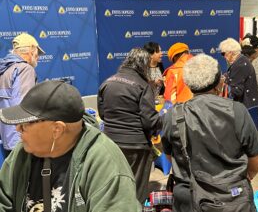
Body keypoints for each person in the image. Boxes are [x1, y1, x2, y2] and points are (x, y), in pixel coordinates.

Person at [0, 80, 140, 211]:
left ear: (57, 130)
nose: (18, 129)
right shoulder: (24, 151)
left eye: (25, 124)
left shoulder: (106, 165)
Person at [162, 54, 258, 212]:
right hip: (233, 198)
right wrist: (245, 177)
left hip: (189, 198)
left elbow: (170, 156)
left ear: (188, 84)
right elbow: (255, 158)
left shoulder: (173, 116)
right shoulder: (237, 111)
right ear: (220, 83)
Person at [97, 48, 162, 203]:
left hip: (110, 144)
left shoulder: (107, 82)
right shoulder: (142, 85)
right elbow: (149, 121)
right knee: (136, 191)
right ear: (143, 65)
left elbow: (103, 114)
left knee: (116, 186)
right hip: (136, 147)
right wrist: (164, 120)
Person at [0, 33, 44, 156]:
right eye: (37, 53)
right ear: (30, 51)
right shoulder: (25, 69)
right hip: (22, 139)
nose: (38, 57)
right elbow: (24, 106)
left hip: (6, 138)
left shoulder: (5, 69)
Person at [219, 37, 258, 128]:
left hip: (246, 108)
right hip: (248, 106)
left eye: (223, 53)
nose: (223, 56)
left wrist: (221, 86)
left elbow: (237, 90)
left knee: (247, 138)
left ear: (231, 52)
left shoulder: (240, 64)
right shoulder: (241, 61)